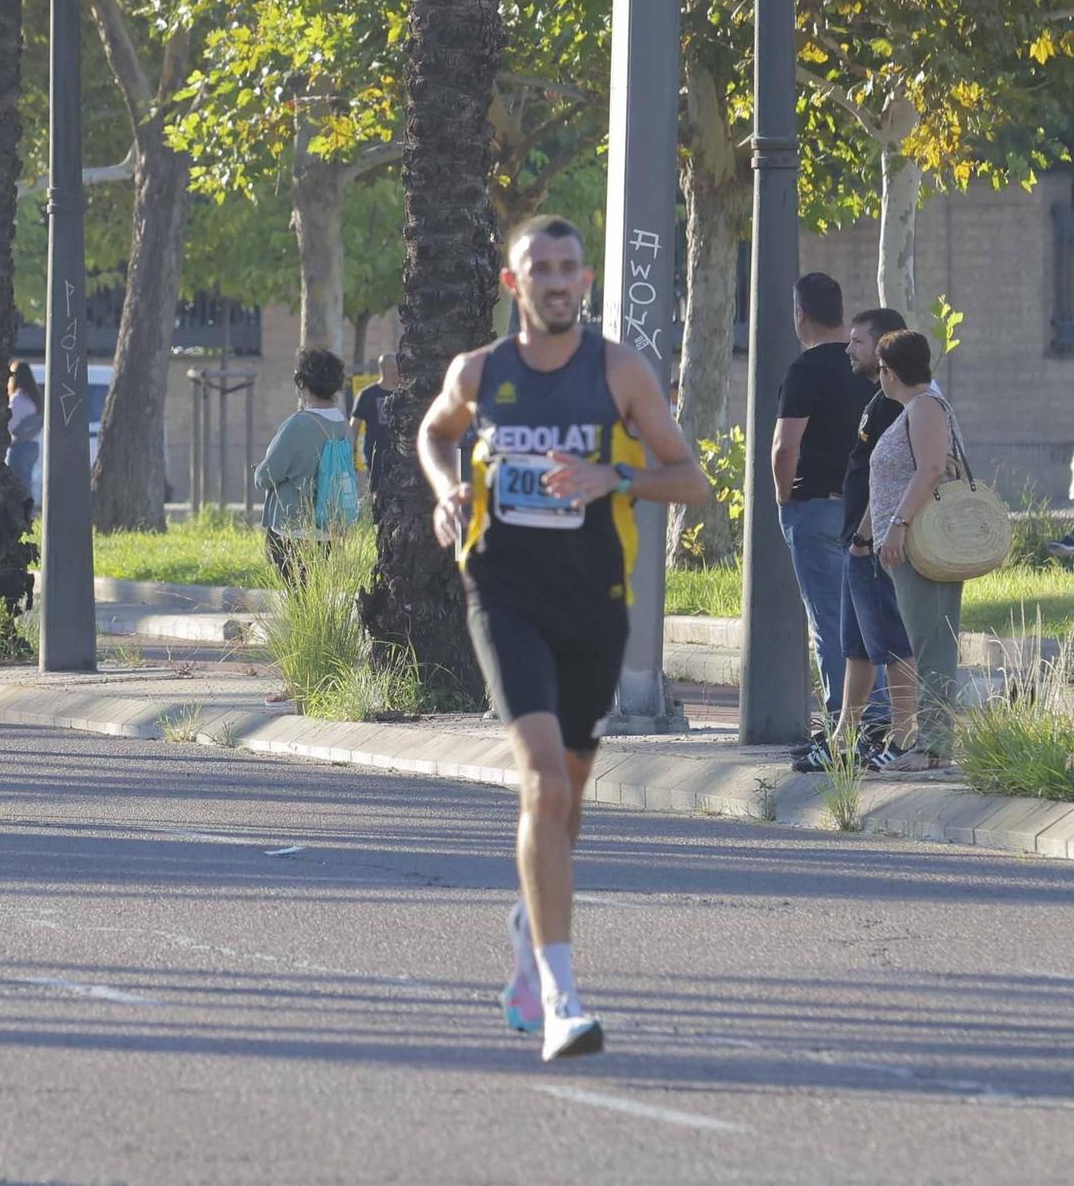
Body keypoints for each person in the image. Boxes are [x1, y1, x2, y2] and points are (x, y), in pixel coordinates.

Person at [417, 215, 710, 1061]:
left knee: (568, 802)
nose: (554, 280)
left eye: (568, 268)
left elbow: (689, 480)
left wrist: (612, 475)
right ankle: (559, 998)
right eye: (538, 267)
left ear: (585, 282)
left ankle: (525, 924)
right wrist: (446, 492)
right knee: (542, 784)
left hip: (595, 602)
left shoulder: (618, 372)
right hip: (502, 591)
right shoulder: (478, 372)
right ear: (513, 284)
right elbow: (435, 433)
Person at [804, 308, 920, 773]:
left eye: (857, 342)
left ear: (883, 348)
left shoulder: (904, 405)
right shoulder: (878, 399)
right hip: (858, 540)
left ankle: (904, 735)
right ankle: (843, 740)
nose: (848, 349)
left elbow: (917, 472)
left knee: (890, 641)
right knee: (854, 646)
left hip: (877, 543)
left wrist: (877, 532)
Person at [771, 273, 872, 733]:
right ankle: (880, 721)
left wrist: (783, 496)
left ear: (800, 314)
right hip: (866, 512)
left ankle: (842, 728)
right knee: (870, 620)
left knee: (829, 624)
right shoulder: (866, 368)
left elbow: (784, 447)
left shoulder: (805, 370)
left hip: (814, 506)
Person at [870, 330, 971, 766]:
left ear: (889, 371)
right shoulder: (914, 408)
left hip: (921, 543)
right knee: (925, 639)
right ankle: (930, 741)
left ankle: (933, 748)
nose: (879, 377)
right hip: (910, 544)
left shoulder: (925, 406)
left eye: (880, 369)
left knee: (931, 644)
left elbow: (931, 469)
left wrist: (896, 526)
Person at [253, 347, 354, 583]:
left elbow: (267, 475)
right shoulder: (343, 425)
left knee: (296, 594)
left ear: (302, 383)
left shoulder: (298, 425)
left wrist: (258, 472)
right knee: (312, 592)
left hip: (292, 528)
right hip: (328, 528)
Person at [351, 352, 401, 491]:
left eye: (397, 366)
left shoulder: (404, 394)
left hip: (403, 457)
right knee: (378, 496)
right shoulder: (367, 395)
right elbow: (354, 426)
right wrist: (349, 454)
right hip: (376, 457)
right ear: (383, 368)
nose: (396, 370)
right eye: (393, 366)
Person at [6, 359, 42, 507]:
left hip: (19, 448)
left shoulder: (18, 399)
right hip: (33, 446)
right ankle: (29, 513)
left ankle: (21, 515)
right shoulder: (34, 398)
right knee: (27, 484)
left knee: (17, 486)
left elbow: (10, 425)